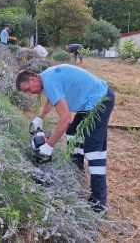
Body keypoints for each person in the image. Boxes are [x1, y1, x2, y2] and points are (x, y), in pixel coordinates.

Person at [16, 64, 115, 213]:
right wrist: (40, 117)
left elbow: (65, 118)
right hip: (88, 104)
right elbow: (51, 98)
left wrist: (49, 146)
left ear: (32, 79)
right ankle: (76, 170)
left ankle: (99, 201)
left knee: (94, 150)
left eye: (27, 89)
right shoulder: (46, 77)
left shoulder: (49, 81)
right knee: (73, 132)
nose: (29, 93)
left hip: (101, 100)